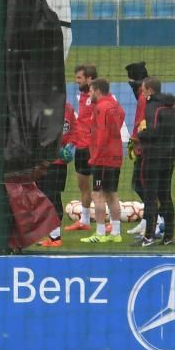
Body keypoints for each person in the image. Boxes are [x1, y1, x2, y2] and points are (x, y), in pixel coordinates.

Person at [133, 76, 175, 247]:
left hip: (153, 159)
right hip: (168, 160)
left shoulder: (152, 107)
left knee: (150, 197)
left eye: (143, 90)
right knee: (165, 196)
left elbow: (152, 132)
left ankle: (149, 237)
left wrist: (140, 133)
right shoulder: (174, 109)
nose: (142, 93)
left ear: (150, 91)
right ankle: (169, 236)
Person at [64, 64, 109, 233]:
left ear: (90, 79)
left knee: (101, 189)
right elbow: (80, 124)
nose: (76, 81)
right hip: (82, 149)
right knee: (83, 185)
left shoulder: (101, 98)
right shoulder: (83, 97)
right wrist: (72, 143)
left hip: (95, 149)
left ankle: (106, 224)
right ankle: (84, 220)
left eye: (79, 78)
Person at [80, 78, 125, 244]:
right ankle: (116, 232)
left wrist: (95, 156)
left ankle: (100, 233)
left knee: (97, 194)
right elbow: (122, 114)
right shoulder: (113, 104)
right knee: (112, 194)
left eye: (91, 91)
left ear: (98, 91)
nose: (89, 94)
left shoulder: (100, 107)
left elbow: (102, 134)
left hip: (103, 158)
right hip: (115, 155)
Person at [36, 100, 77, 248]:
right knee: (53, 196)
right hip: (51, 162)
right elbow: (74, 131)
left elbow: (73, 131)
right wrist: (67, 147)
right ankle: (54, 235)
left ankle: (55, 237)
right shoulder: (66, 107)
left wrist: (68, 147)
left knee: (49, 198)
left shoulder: (44, 108)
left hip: (49, 163)